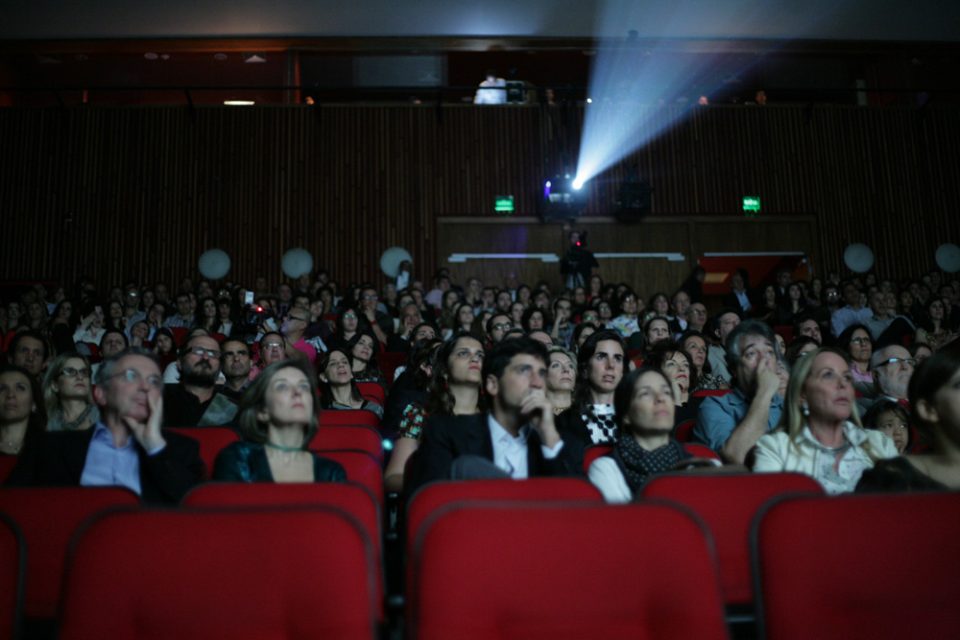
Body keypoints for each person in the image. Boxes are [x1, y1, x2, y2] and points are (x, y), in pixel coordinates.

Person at [10, 349, 204, 504]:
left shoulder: (182, 450)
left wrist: (155, 448)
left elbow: (199, 512)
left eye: (154, 381)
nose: (145, 387)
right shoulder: (47, 447)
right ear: (100, 393)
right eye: (131, 376)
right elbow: (11, 510)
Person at [405, 337, 582, 496]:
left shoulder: (560, 436)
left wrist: (549, 439)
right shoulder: (447, 433)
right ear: (492, 385)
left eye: (542, 373)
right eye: (524, 371)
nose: (537, 382)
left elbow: (579, 506)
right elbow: (426, 505)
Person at [752, 348, 896, 494]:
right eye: (828, 375)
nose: (843, 384)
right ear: (802, 394)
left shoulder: (880, 444)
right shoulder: (775, 449)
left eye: (847, 377)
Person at [212, 360, 346, 483]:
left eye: (304, 386)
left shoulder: (331, 471)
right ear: (262, 410)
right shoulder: (239, 459)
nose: (297, 392)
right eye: (282, 386)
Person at [383, 334, 483, 492]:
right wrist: (438, 485)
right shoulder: (421, 413)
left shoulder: (495, 416)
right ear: (444, 370)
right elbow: (393, 477)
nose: (475, 358)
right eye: (463, 353)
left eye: (480, 355)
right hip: (439, 499)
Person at [588, 368, 704, 503]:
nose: (660, 399)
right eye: (646, 394)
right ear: (626, 415)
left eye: (666, 392)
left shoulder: (699, 466)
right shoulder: (606, 469)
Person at [857, 349, 960, 491]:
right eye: (958, 385)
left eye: (909, 362)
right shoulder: (893, 478)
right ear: (927, 409)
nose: (905, 366)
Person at [693, 320, 783, 464]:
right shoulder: (714, 406)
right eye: (751, 353)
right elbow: (737, 457)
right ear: (734, 369)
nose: (764, 360)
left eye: (769, 352)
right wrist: (764, 393)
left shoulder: (786, 404)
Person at [556, 330, 625, 446]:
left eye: (617, 358)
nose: (611, 365)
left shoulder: (636, 417)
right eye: (601, 357)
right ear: (585, 369)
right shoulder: (564, 421)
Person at [162, 335, 238, 427]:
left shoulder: (235, 403)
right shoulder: (157, 397)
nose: (206, 357)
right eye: (198, 351)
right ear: (179, 363)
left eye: (213, 354)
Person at [644, 342, 701, 427]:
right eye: (671, 364)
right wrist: (676, 400)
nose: (682, 369)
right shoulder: (650, 409)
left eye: (685, 365)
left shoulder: (703, 405)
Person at [318, 348, 384, 419]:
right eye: (333, 363)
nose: (341, 365)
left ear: (351, 374)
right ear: (323, 377)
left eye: (344, 362)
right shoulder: (317, 410)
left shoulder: (374, 410)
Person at [42, 352, 99, 432]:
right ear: (55, 385)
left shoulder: (105, 416)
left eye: (84, 372)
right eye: (70, 371)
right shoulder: (47, 422)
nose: (80, 377)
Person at [0, 365, 46, 460]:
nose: (10, 395)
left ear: (34, 403)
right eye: (2, 389)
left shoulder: (49, 449)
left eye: (20, 388)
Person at [837, 324, 874, 396]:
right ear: (847, 345)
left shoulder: (880, 370)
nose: (863, 344)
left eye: (866, 340)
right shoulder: (843, 371)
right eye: (857, 340)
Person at [545, 346, 576, 415]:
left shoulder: (589, 412)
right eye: (556, 365)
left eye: (570, 366)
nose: (566, 370)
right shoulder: (532, 415)